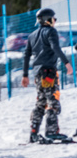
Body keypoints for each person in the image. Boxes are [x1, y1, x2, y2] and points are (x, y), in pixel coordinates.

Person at [21, 8, 73, 143]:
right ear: (47, 20)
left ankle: (33, 132)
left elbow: (26, 55)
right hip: (49, 73)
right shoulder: (51, 31)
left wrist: (25, 75)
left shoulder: (32, 35)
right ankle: (51, 131)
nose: (55, 21)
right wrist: (67, 63)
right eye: (53, 19)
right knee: (53, 101)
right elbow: (56, 48)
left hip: (38, 74)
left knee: (41, 102)